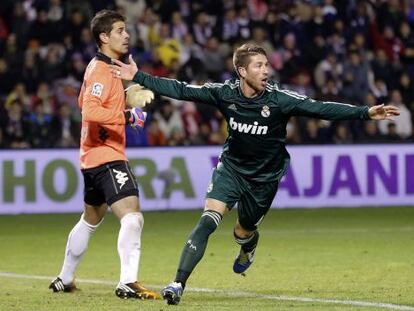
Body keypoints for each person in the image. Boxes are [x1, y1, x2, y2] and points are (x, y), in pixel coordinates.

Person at [110, 43, 400, 305]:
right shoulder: (224, 93)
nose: (266, 70)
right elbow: (183, 90)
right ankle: (177, 283)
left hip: (264, 178)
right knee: (208, 220)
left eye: (267, 65)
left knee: (243, 230)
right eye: (259, 65)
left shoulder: (280, 100)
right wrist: (139, 76)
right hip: (231, 169)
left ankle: (248, 246)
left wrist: (365, 112)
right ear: (241, 71)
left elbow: (320, 108)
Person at [48, 10, 160, 300]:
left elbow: (84, 99)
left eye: (126, 30)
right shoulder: (100, 69)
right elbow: (89, 110)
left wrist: (126, 94)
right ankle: (127, 281)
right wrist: (125, 114)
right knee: (132, 216)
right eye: (120, 30)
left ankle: (65, 277)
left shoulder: (102, 67)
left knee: (91, 218)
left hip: (91, 157)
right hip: (106, 156)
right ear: (104, 36)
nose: (127, 35)